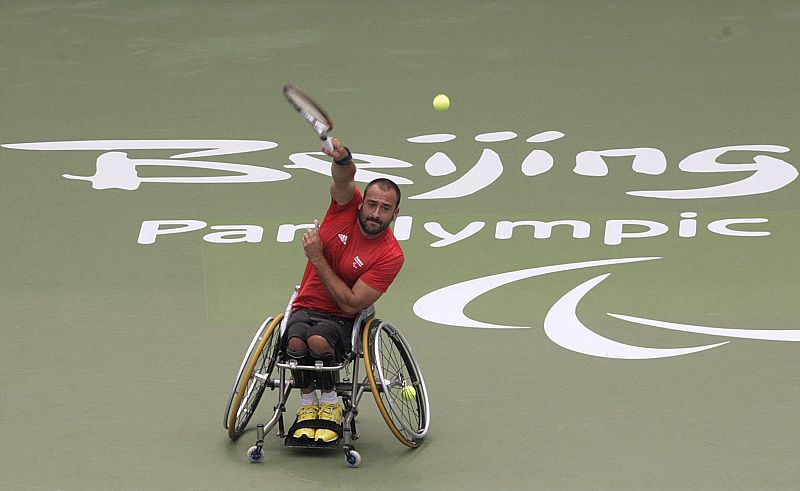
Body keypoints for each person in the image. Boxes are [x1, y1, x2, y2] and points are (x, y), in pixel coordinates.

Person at [285, 137, 404, 444]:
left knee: (317, 340)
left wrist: (317, 258)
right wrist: (342, 158)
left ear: (395, 215)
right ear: (361, 202)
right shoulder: (344, 209)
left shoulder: (391, 255)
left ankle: (331, 405)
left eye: (386, 209)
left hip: (342, 318)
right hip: (306, 304)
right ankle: (308, 406)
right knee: (295, 341)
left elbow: (351, 303)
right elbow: (343, 179)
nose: (376, 213)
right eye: (373, 204)